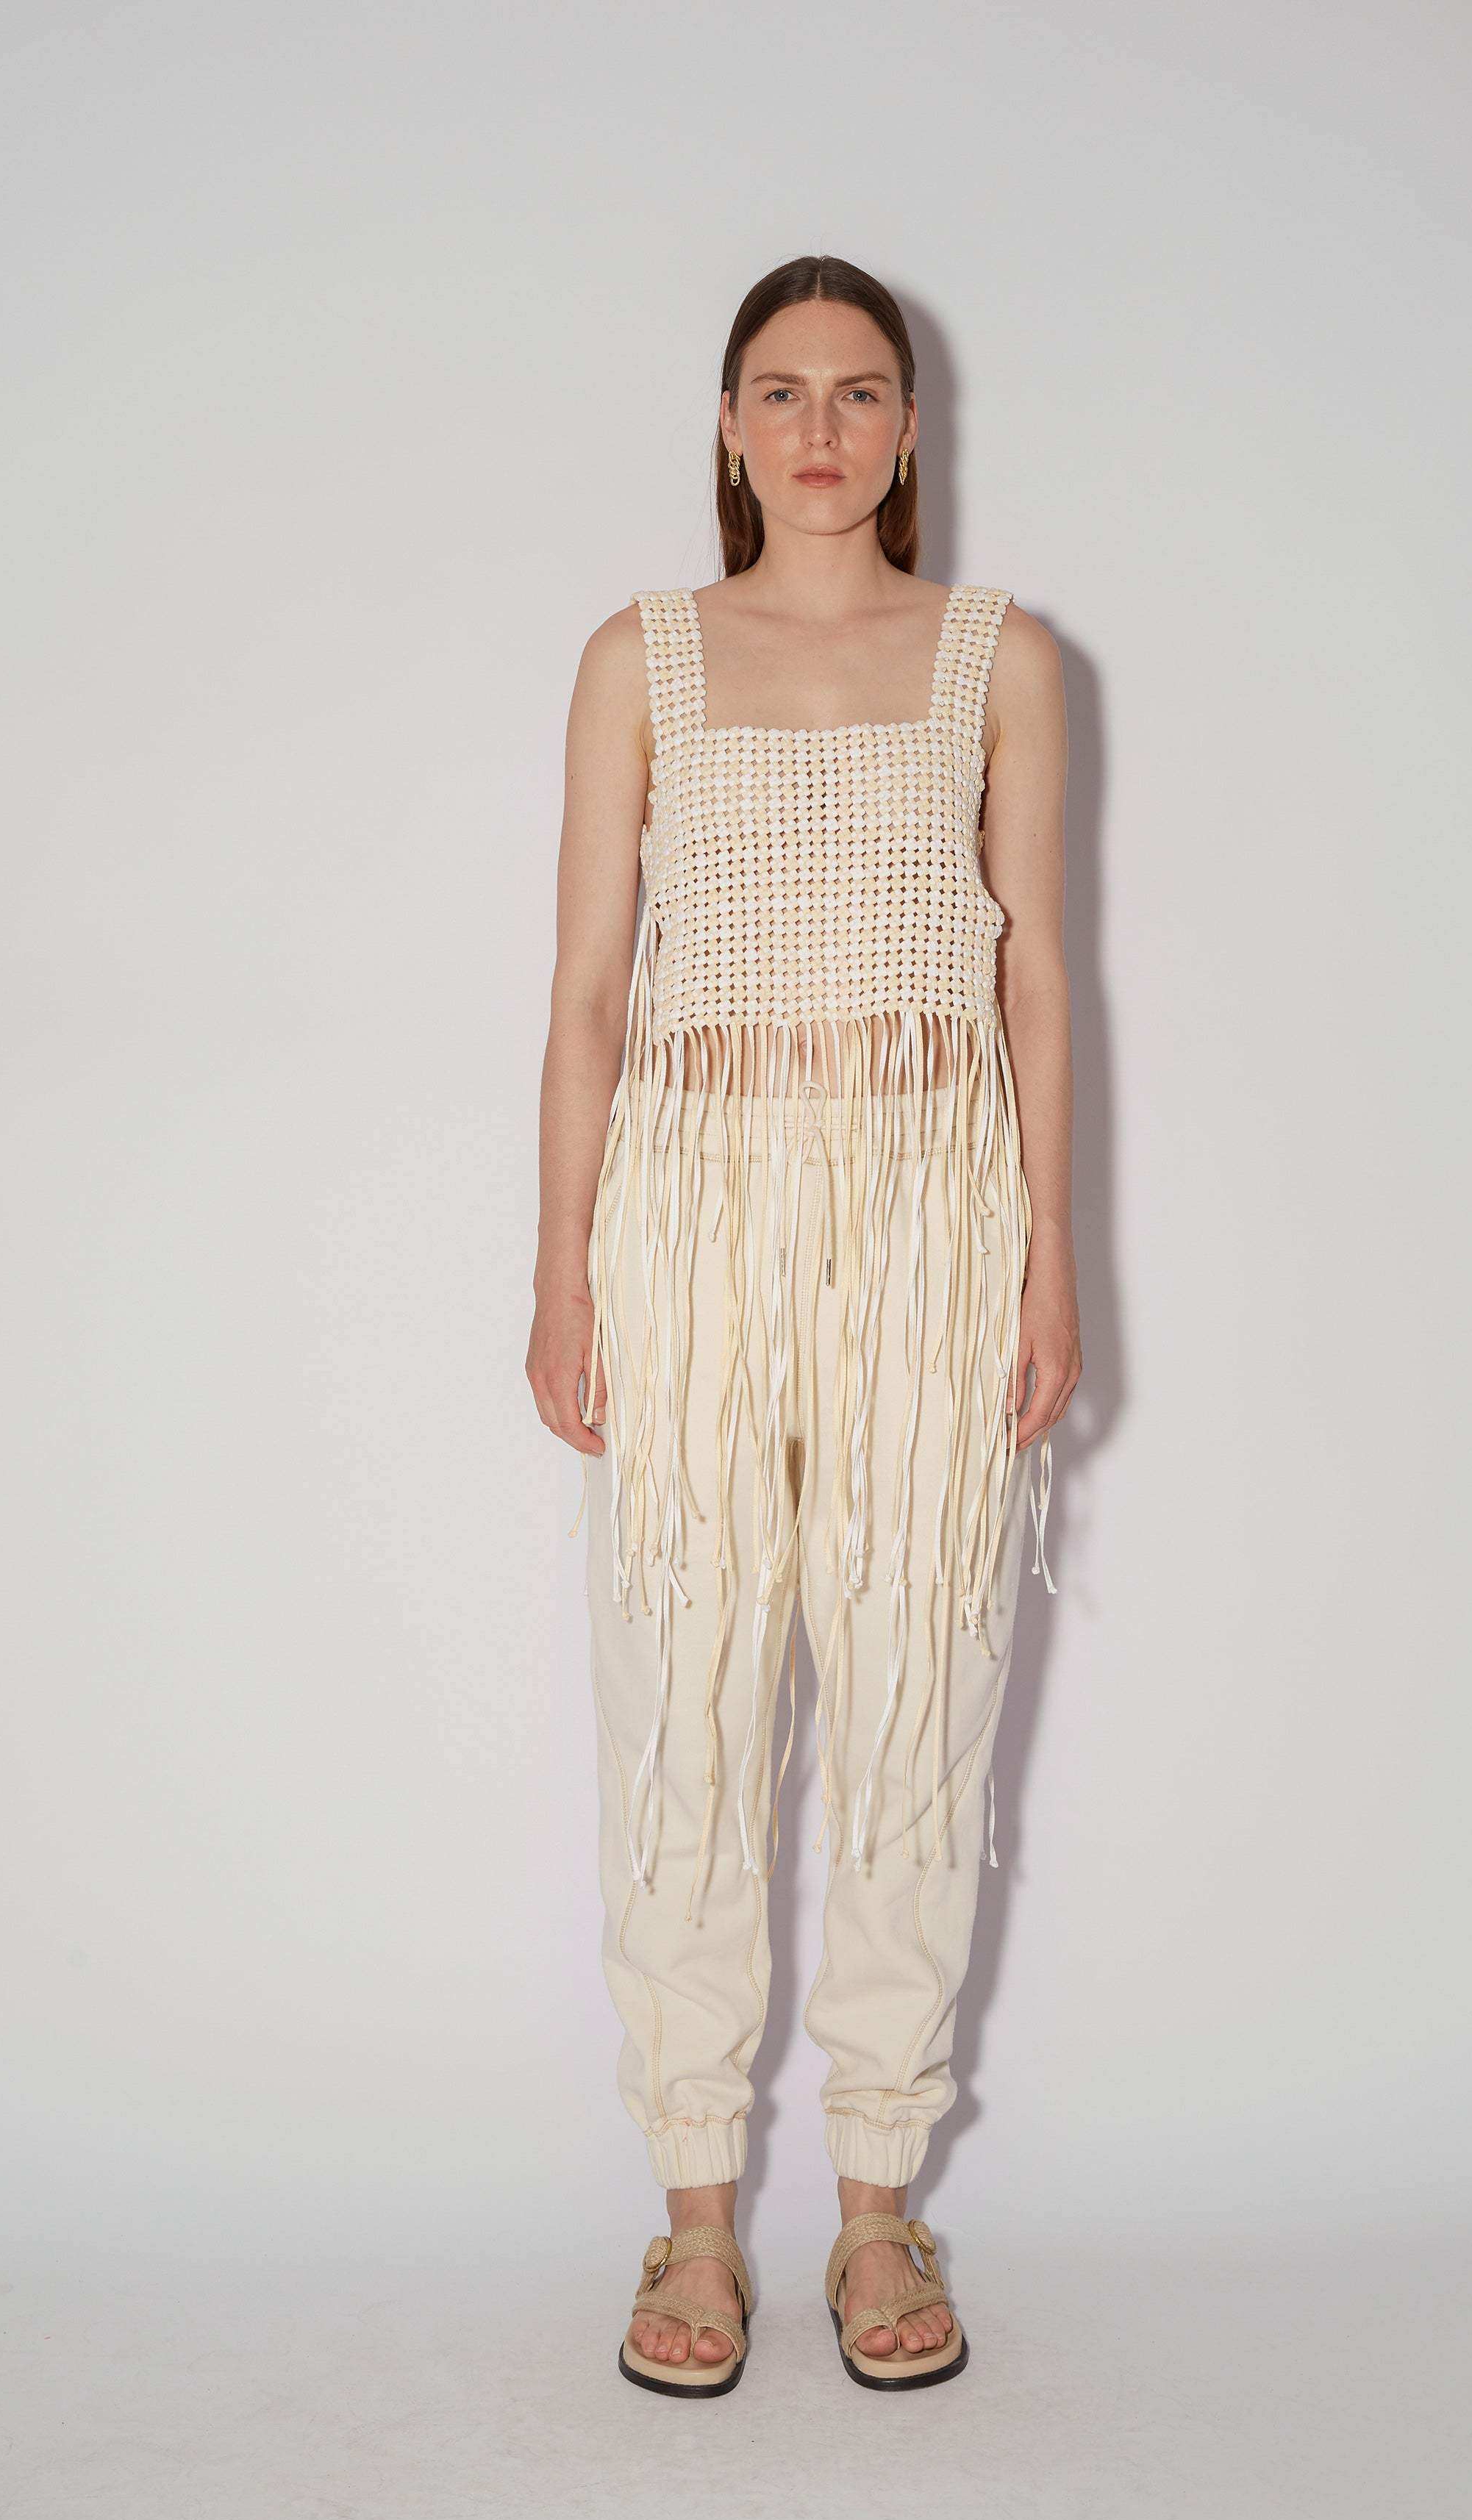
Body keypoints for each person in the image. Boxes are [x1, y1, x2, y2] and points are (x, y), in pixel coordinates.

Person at [527, 254, 1079, 2396]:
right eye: (782, 391)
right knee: (685, 1682)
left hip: (935, 1209)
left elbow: (1037, 973)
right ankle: (691, 2219)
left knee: (921, 1675)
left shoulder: (1000, 658)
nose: (821, 429)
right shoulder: (639, 658)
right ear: (730, 425)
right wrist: (559, 1266)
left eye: (860, 392)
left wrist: (1050, 1251)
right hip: (690, 1210)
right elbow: (590, 990)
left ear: (912, 427)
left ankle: (873, 2203)